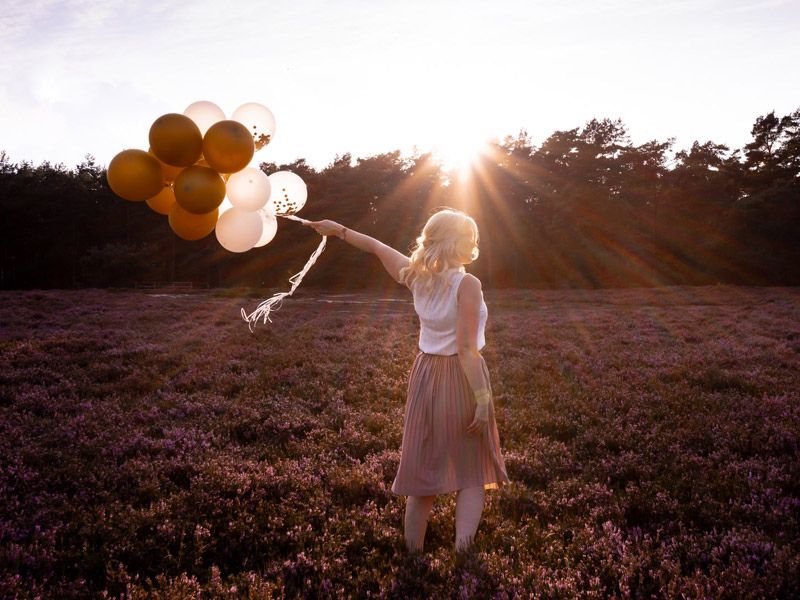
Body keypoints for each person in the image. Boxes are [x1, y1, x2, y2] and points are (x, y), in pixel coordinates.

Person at [302, 207, 509, 554]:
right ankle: (463, 554)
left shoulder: (416, 275)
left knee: (423, 471)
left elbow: (377, 247)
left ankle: (412, 557)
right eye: (469, 237)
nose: (474, 243)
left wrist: (336, 229)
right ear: (454, 242)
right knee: (472, 472)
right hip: (461, 377)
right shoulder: (467, 283)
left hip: (426, 375)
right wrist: (484, 400)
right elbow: (467, 350)